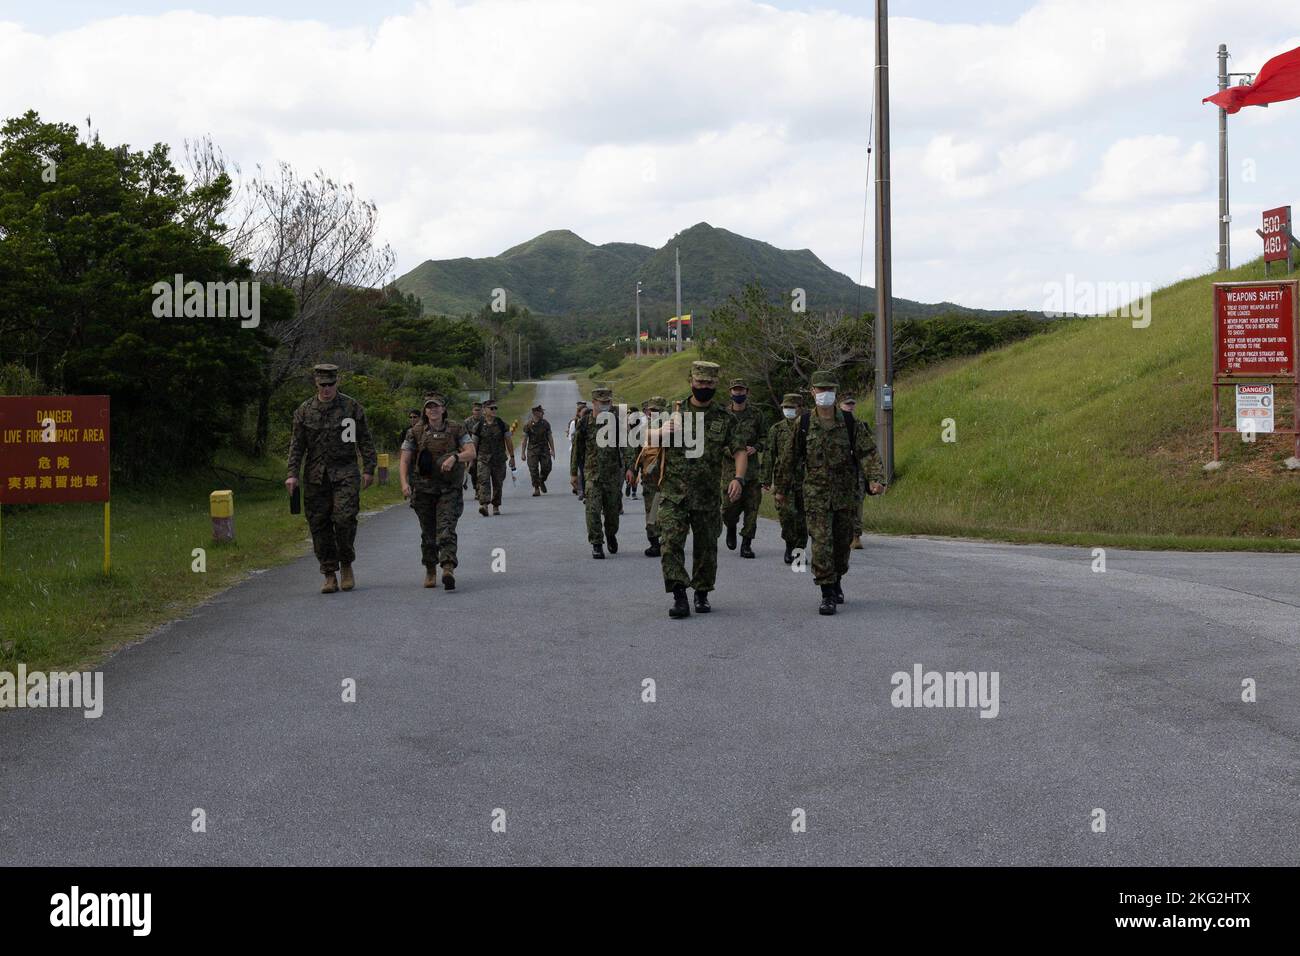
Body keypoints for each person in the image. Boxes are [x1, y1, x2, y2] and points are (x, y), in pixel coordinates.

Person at [774, 371, 884, 616]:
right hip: (815, 495)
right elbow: (788, 458)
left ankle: (837, 579)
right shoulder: (802, 424)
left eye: (829, 390)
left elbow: (868, 452)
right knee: (822, 544)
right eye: (820, 390)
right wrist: (780, 488)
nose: (825, 395)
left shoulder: (849, 423)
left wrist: (876, 478)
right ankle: (826, 592)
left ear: (835, 392)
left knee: (841, 545)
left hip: (845, 494)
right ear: (812, 392)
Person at [650, 361, 748, 618]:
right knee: (670, 544)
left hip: (706, 496)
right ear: (691, 381)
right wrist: (661, 431)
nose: (704, 387)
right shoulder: (673, 411)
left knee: (706, 548)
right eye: (700, 382)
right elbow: (644, 439)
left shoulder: (724, 418)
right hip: (674, 494)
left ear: (716, 385)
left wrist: (738, 478)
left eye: (709, 383)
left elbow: (739, 450)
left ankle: (702, 592)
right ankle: (679, 594)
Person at [285, 364, 377, 594]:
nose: (326, 389)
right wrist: (292, 475)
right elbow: (297, 446)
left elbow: (365, 439)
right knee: (319, 524)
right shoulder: (305, 410)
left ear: (337, 383)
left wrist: (369, 468)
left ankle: (346, 564)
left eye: (330, 384)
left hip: (345, 472)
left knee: (344, 519)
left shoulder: (351, 407)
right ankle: (328, 573)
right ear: (316, 384)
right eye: (322, 385)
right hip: (316, 476)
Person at [400, 394, 476, 589]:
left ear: (443, 409)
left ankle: (448, 567)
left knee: (446, 528)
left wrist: (455, 458)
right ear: (425, 411)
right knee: (428, 532)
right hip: (424, 489)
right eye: (429, 407)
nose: (433, 410)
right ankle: (430, 568)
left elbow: (471, 452)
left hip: (449, 488)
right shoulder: (415, 432)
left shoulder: (456, 429)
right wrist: (404, 483)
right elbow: (405, 459)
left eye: (437, 406)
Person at [571, 387, 625, 558]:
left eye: (608, 402)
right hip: (591, 474)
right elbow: (577, 450)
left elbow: (626, 447)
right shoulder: (584, 423)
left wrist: (631, 468)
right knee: (592, 509)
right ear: (594, 402)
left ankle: (610, 534)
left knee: (612, 512)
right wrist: (573, 473)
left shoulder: (616, 422)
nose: (606, 405)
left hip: (612, 474)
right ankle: (596, 543)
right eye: (602, 403)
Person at [720, 378, 766, 559]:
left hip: (752, 472)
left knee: (752, 509)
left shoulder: (756, 414)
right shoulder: (723, 415)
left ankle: (746, 543)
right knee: (728, 509)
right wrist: (730, 451)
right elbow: (716, 441)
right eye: (735, 390)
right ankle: (731, 526)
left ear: (747, 392)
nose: (738, 394)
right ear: (730, 392)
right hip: (729, 472)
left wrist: (756, 447)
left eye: (741, 390)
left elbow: (764, 437)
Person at [763, 392, 807, 564]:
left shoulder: (807, 426)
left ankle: (799, 551)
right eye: (786, 407)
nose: (788, 410)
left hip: (805, 479)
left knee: (803, 518)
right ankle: (789, 543)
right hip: (783, 480)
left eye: (792, 407)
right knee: (787, 516)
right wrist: (765, 478)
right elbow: (769, 454)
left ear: (800, 408)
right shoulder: (777, 429)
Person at [626, 396, 668, 556]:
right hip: (650, 478)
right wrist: (632, 470)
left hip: (670, 478)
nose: (654, 413)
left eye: (658, 410)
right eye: (652, 410)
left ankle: (669, 540)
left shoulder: (674, 428)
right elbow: (635, 452)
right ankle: (654, 541)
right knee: (651, 510)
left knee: (669, 511)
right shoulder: (641, 431)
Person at [471, 400, 514, 515]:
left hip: (499, 459)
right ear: (485, 410)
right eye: (491, 408)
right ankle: (484, 505)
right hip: (483, 459)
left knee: (498, 483)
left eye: (495, 408)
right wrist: (471, 460)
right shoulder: (478, 426)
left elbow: (508, 441)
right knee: (483, 481)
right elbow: (474, 444)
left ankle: (495, 505)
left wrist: (512, 457)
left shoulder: (502, 424)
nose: (494, 410)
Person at [840, 394, 867, 550]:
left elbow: (868, 450)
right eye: (846, 404)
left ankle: (856, 536)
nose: (850, 406)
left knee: (857, 504)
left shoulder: (860, 425)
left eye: (852, 404)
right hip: (839, 472)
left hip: (856, 471)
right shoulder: (834, 426)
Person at [520, 404, 555, 495]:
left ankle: (541, 480)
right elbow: (524, 440)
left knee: (547, 467)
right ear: (535, 413)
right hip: (532, 450)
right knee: (533, 469)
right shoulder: (528, 425)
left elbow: (550, 437)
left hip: (544, 449)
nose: (542, 413)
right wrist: (523, 453)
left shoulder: (545, 423)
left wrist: (552, 449)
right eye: (540, 411)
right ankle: (536, 488)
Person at [463, 402, 484, 492]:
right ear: (472, 411)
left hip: (483, 449)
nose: (477, 412)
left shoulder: (485, 421)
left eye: (479, 410)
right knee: (473, 470)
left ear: (482, 411)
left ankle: (482, 489)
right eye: (476, 410)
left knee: (483, 471)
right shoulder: (467, 422)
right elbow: (464, 436)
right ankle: (476, 488)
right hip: (471, 449)